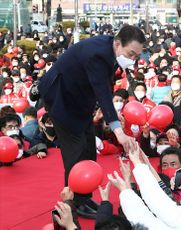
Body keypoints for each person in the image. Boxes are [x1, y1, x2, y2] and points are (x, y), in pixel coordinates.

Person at [38, 25, 145, 219]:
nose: (132, 59)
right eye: (131, 54)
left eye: (137, 56)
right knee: (76, 152)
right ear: (118, 43)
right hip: (62, 100)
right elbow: (103, 93)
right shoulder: (98, 55)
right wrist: (118, 130)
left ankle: (84, 197)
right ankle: (73, 203)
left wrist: (112, 115)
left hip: (80, 100)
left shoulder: (111, 47)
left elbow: (107, 85)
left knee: (88, 148)